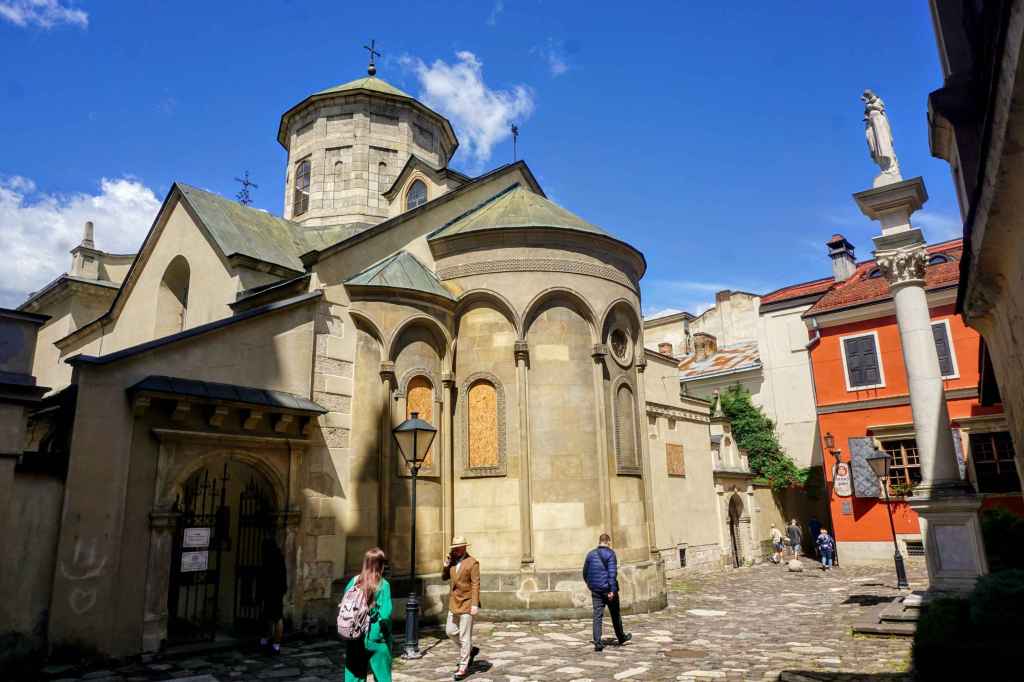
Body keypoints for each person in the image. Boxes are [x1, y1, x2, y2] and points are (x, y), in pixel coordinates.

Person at [342, 547, 393, 682]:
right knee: (383, 678)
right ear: (381, 565)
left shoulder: (353, 582)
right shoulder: (383, 584)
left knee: (354, 678)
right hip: (375, 637)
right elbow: (386, 614)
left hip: (354, 637)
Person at [582, 533, 632, 652]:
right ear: (608, 541)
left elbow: (585, 573)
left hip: (596, 591)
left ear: (599, 542)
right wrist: (612, 591)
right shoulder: (610, 554)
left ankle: (598, 642)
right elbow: (612, 574)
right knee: (615, 615)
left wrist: (590, 585)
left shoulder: (590, 554)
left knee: (597, 616)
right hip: (608, 590)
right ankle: (621, 637)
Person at [442, 536, 480, 681]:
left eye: (458, 547)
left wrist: (475, 604)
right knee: (450, 631)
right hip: (454, 602)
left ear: (464, 547)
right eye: (454, 547)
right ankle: (470, 650)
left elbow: (476, 584)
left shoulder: (472, 562)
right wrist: (446, 565)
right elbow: (444, 577)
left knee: (465, 636)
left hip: (467, 602)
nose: (455, 549)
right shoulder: (452, 561)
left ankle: (463, 667)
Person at [258, 536, 287, 655]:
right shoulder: (280, 557)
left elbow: (264, 577)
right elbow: (283, 576)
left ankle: (269, 641)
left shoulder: (268, 558)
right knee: (276, 617)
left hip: (270, 591)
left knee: (272, 617)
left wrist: (261, 593)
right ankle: (275, 644)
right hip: (278, 591)